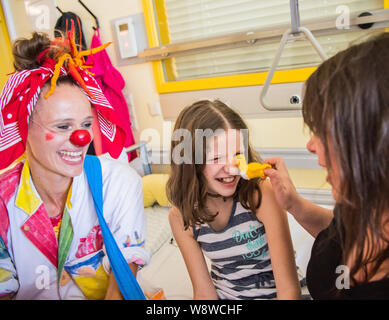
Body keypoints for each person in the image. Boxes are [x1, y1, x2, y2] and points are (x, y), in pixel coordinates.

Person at [0, 31, 150, 299]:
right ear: (24, 128)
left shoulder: (117, 182)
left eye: (86, 125)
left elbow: (122, 282)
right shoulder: (3, 204)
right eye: (62, 126)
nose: (81, 139)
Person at [264, 32, 389, 299]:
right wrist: (293, 204)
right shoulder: (363, 204)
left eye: (321, 130)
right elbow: (338, 230)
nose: (310, 145)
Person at [167, 100, 306, 300]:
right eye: (216, 158)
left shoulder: (261, 194)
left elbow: (289, 290)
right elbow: (204, 293)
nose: (232, 168)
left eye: (238, 155)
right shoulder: (181, 216)